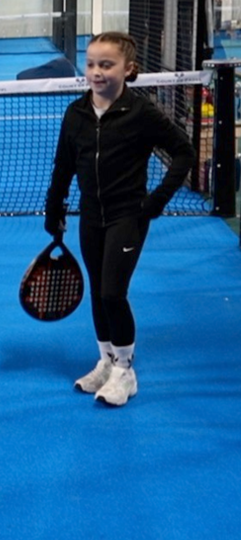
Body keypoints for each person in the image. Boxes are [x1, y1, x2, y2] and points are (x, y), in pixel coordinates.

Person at [43, 31, 194, 407]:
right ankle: (106, 361)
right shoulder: (75, 113)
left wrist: (157, 200)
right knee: (97, 291)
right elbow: (63, 165)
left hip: (129, 215)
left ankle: (126, 371)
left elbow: (184, 152)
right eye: (91, 63)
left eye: (106, 65)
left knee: (113, 292)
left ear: (128, 69)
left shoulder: (141, 113)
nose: (96, 72)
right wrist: (54, 207)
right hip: (90, 216)